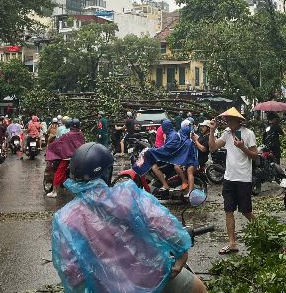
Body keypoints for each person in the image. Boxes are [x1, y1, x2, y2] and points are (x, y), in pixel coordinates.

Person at [52, 143, 206, 293]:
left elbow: (71, 272)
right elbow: (164, 225)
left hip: (102, 288)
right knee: (199, 288)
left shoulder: (63, 219)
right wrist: (181, 256)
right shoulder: (128, 195)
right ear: (108, 171)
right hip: (152, 278)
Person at [208, 107, 257, 255]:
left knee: (246, 211)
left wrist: (243, 147)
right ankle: (232, 243)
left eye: (230, 119)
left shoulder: (248, 134)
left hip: (243, 179)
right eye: (226, 119)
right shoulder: (227, 133)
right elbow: (212, 148)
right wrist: (211, 130)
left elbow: (255, 156)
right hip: (229, 178)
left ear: (238, 120)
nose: (228, 122)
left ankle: (264, 232)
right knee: (228, 211)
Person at [133, 119, 193, 193]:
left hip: (172, 158)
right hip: (170, 156)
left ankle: (165, 185)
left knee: (154, 166)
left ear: (166, 127)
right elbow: (165, 147)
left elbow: (167, 149)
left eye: (163, 127)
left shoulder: (173, 136)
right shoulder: (170, 134)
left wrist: (154, 151)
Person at [46, 119, 86, 198]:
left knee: (59, 172)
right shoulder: (81, 134)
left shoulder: (67, 134)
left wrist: (51, 147)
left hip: (67, 157)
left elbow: (58, 143)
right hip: (79, 156)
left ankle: (54, 191)